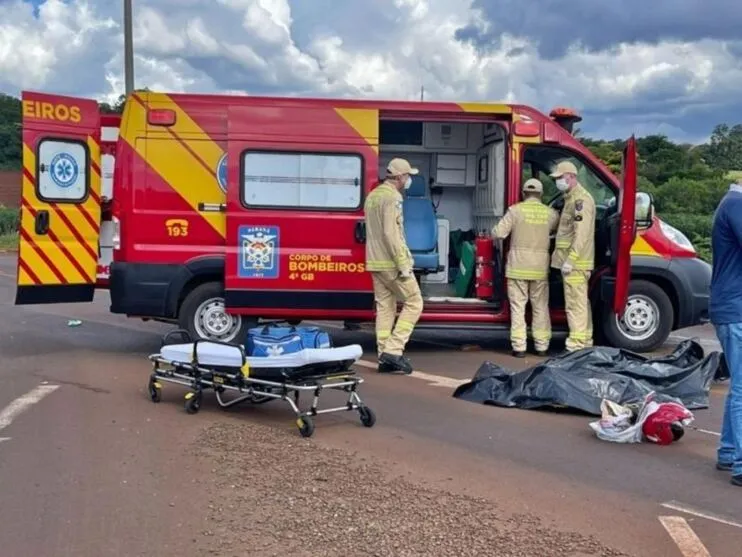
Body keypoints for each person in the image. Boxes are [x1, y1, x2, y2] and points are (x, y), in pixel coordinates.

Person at [363, 158, 423, 374]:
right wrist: (403, 264)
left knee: (385, 308)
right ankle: (394, 351)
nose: (408, 180)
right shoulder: (393, 197)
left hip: (375, 262)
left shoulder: (373, 196)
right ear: (399, 178)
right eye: (407, 176)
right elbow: (391, 233)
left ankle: (383, 356)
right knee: (415, 302)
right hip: (391, 263)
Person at [492, 178, 559, 357]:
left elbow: (498, 233)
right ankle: (542, 346)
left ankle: (519, 347)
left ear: (523, 193)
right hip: (539, 269)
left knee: (518, 307)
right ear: (541, 194)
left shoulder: (515, 211)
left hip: (517, 267)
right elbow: (558, 231)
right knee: (540, 307)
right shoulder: (551, 214)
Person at [709, 178, 742, 486]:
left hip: (729, 307)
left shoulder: (729, 203)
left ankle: (729, 452)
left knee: (739, 386)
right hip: (735, 309)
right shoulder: (737, 205)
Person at [549, 160, 596, 353]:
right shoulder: (570, 198)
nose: (558, 181)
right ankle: (584, 341)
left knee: (575, 305)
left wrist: (571, 259)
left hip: (576, 263)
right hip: (572, 262)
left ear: (572, 177)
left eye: (561, 178)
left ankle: (576, 347)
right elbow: (568, 232)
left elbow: (581, 234)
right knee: (580, 303)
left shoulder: (580, 201)